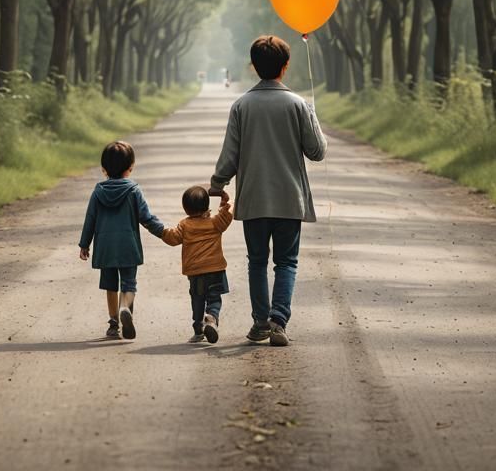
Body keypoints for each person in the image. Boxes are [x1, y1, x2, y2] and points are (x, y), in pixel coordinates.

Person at [209, 34, 326, 348]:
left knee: (257, 262)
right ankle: (279, 320)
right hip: (290, 200)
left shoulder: (241, 106)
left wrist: (217, 184)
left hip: (255, 199)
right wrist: (313, 116)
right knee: (286, 262)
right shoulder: (298, 104)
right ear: (285, 67)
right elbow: (317, 151)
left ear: (252, 66)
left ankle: (260, 323)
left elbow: (229, 155)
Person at [78, 140, 164, 340]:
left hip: (105, 247)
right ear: (130, 167)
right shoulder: (133, 190)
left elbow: (90, 218)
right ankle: (125, 308)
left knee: (110, 285)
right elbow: (146, 217)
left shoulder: (98, 192)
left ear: (104, 169)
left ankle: (114, 322)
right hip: (128, 245)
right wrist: (163, 232)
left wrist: (84, 244)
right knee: (128, 283)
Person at [161, 186, 233, 343]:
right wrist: (224, 201)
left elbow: (172, 238)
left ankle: (198, 329)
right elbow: (227, 216)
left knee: (197, 298)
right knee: (214, 298)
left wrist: (160, 230)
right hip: (215, 269)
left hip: (195, 272)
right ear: (207, 206)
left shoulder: (185, 225)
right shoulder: (215, 223)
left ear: (185, 209)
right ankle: (212, 318)